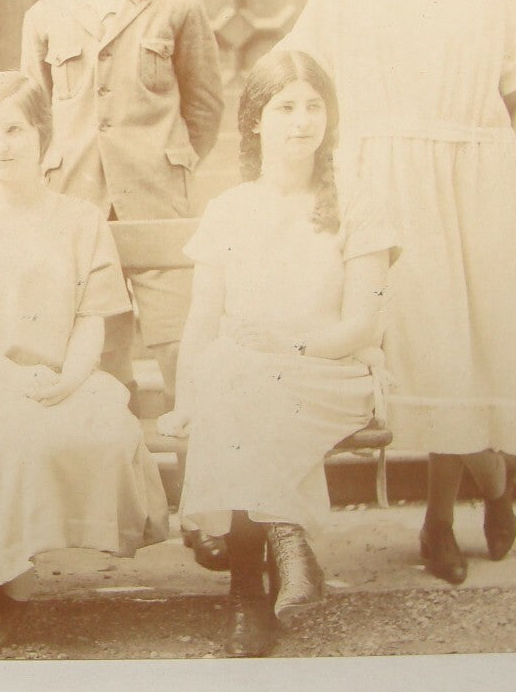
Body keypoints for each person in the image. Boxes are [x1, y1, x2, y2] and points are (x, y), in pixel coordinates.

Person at [275, 0, 516, 586]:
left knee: (465, 353)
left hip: (474, 181)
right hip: (383, 177)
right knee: (421, 349)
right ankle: (495, 480)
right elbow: (300, 61)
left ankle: (439, 521)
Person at [0, 71, 170, 656]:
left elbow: (91, 319)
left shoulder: (78, 218)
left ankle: (26, 555)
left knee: (103, 426)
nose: (2, 144)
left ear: (42, 136)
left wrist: (70, 378)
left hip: (58, 374)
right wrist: (8, 376)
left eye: (16, 130)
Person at [156, 51, 397, 657]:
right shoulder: (231, 209)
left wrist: (288, 345)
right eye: (284, 107)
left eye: (313, 106)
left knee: (240, 378)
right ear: (256, 121)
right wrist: (186, 399)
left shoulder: (357, 204)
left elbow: (360, 324)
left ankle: (247, 593)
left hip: (332, 374)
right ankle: (284, 543)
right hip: (251, 380)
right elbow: (203, 318)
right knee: (237, 377)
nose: (300, 121)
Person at [20, 0, 222, 409]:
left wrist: (166, 157)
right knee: (97, 354)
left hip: (159, 200)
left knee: (179, 343)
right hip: (78, 204)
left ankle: (196, 484)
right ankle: (127, 488)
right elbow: (33, 114)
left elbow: (205, 108)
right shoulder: (45, 15)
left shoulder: (178, 7)